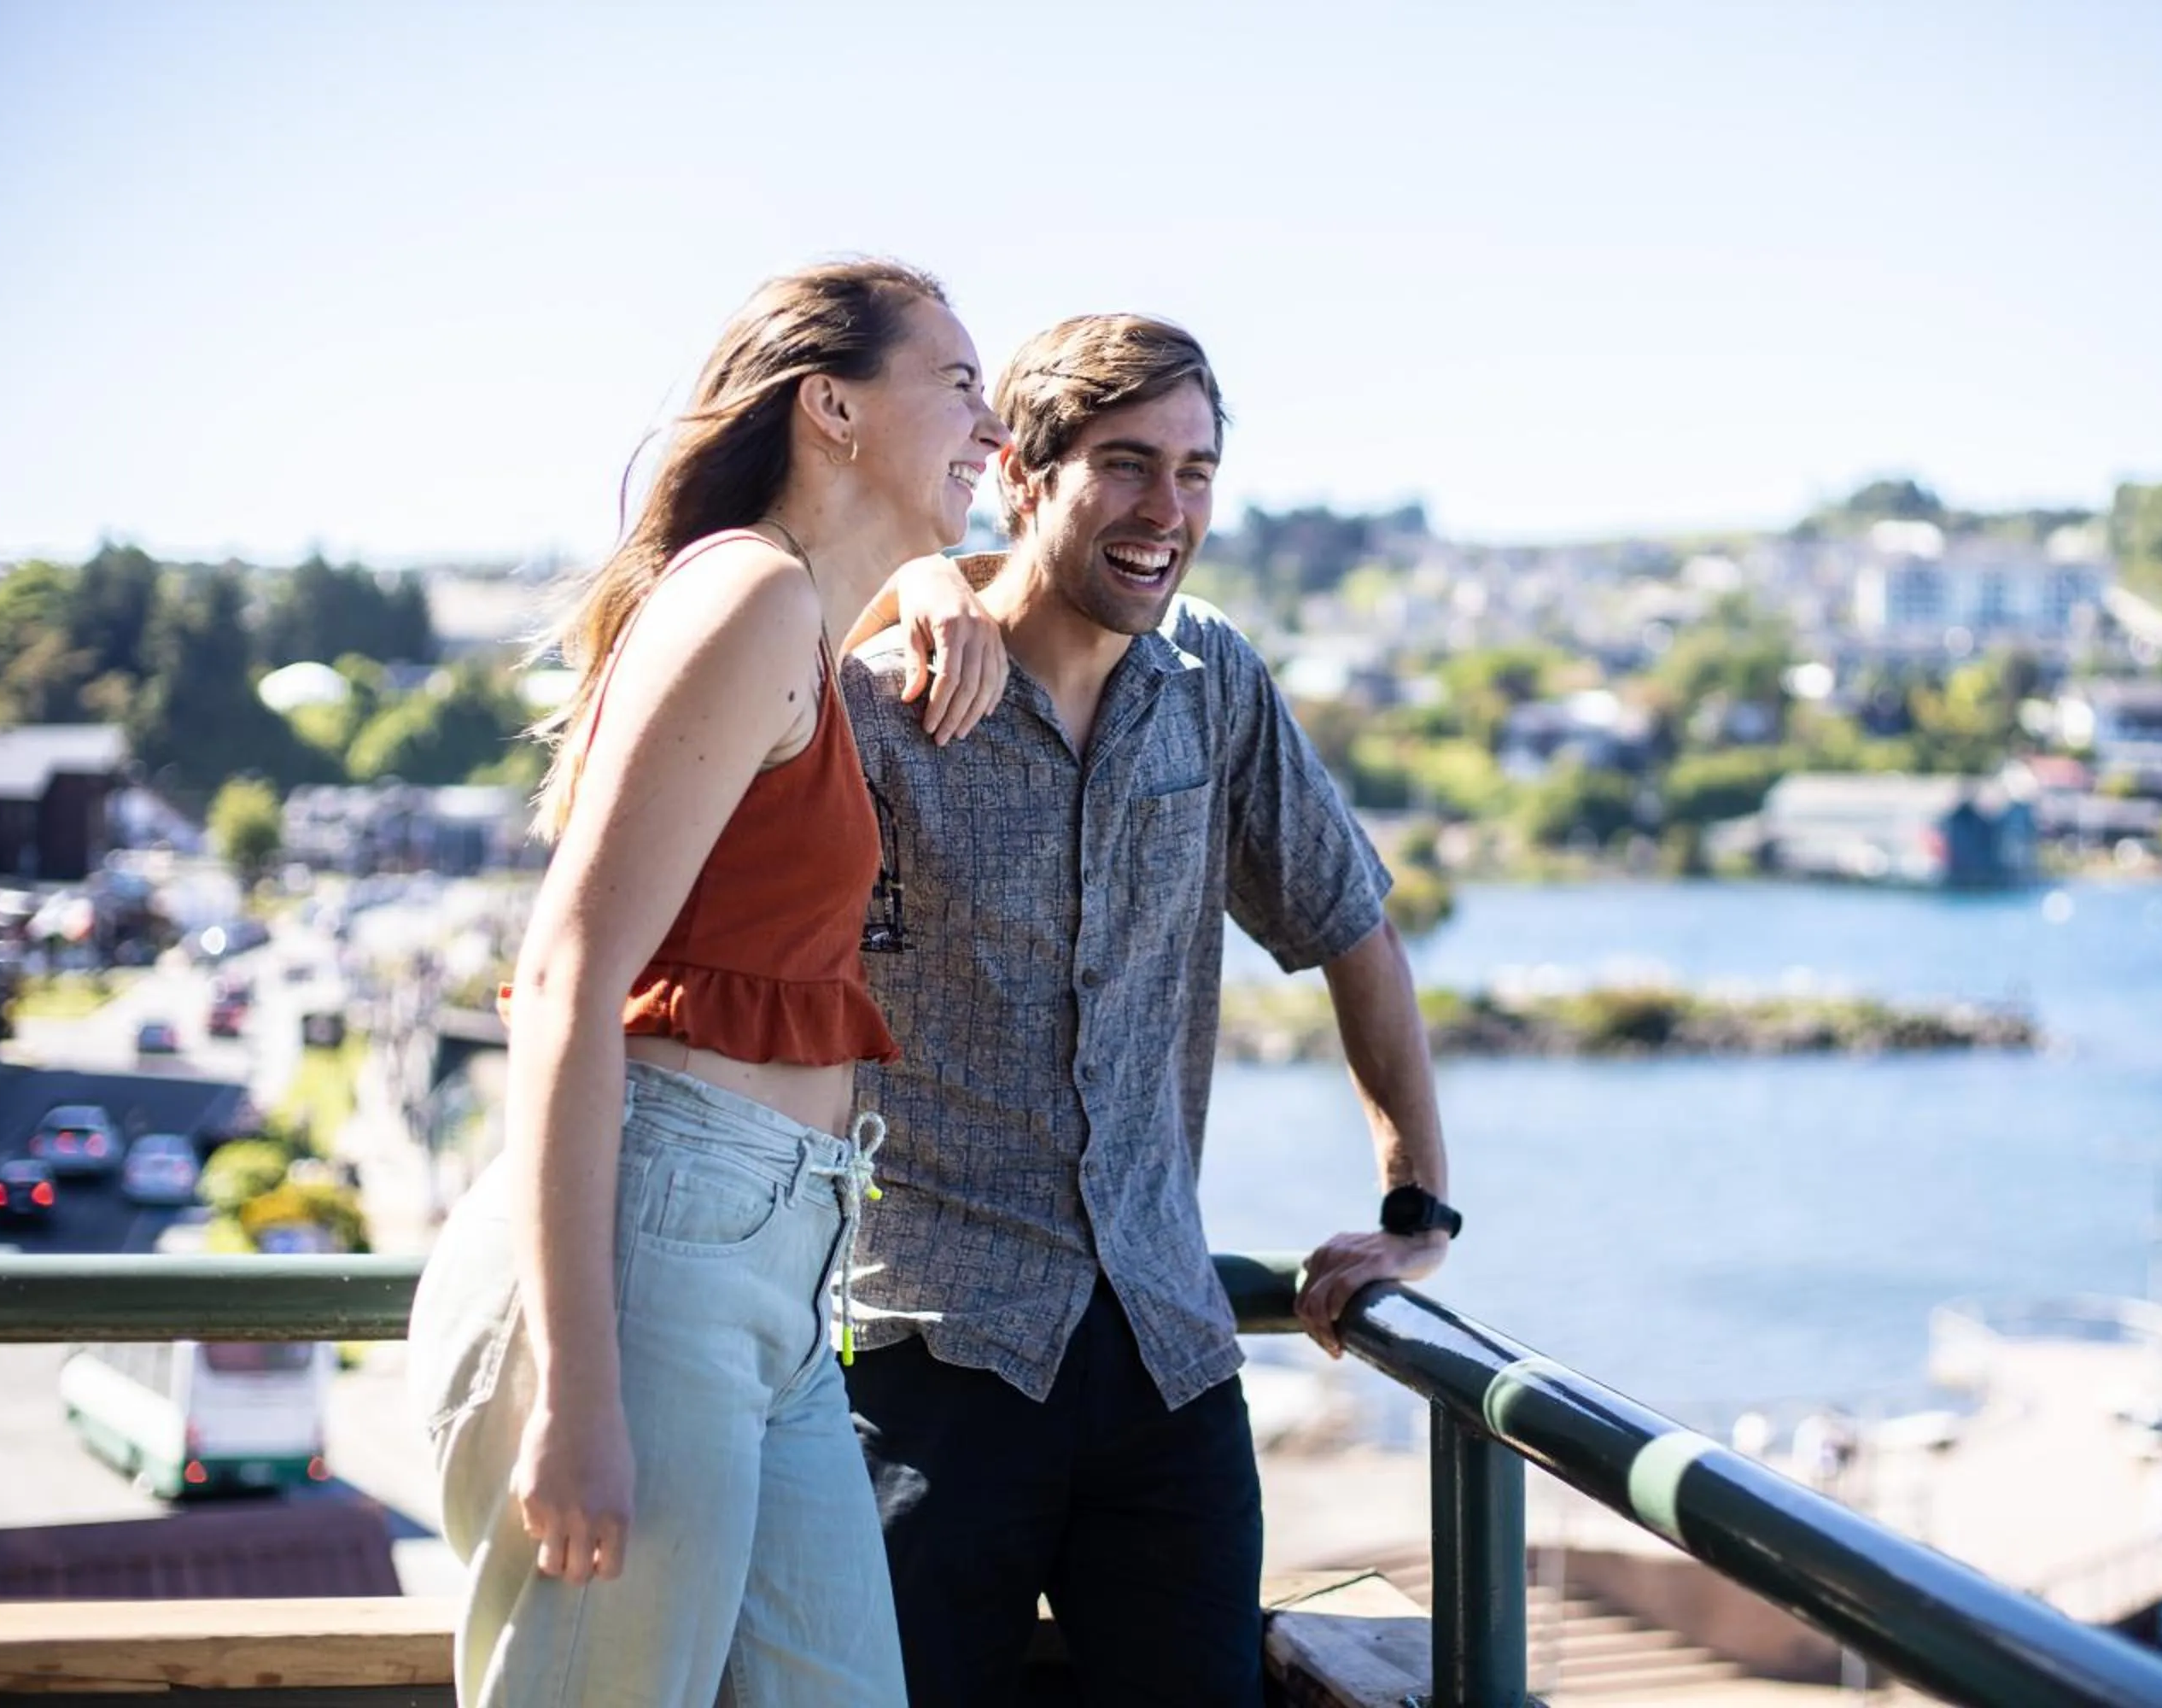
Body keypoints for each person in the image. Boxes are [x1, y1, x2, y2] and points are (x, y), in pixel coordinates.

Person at [404, 258, 1008, 1707]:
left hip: (778, 1278)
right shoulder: (744, 593)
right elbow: (563, 979)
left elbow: (892, 591)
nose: (994, 433)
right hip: (648, 1248)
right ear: (835, 409)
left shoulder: (790, 605)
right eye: (962, 387)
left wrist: (932, 569)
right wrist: (578, 1391)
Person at [838, 313, 1460, 1707]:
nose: (1164, 511)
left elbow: (1350, 922)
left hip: (1169, 1367)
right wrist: (913, 584)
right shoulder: (876, 709)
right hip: (930, 1366)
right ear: (1022, 473)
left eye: (1195, 471)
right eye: (1125, 466)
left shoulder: (1213, 685)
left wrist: (1415, 1211)